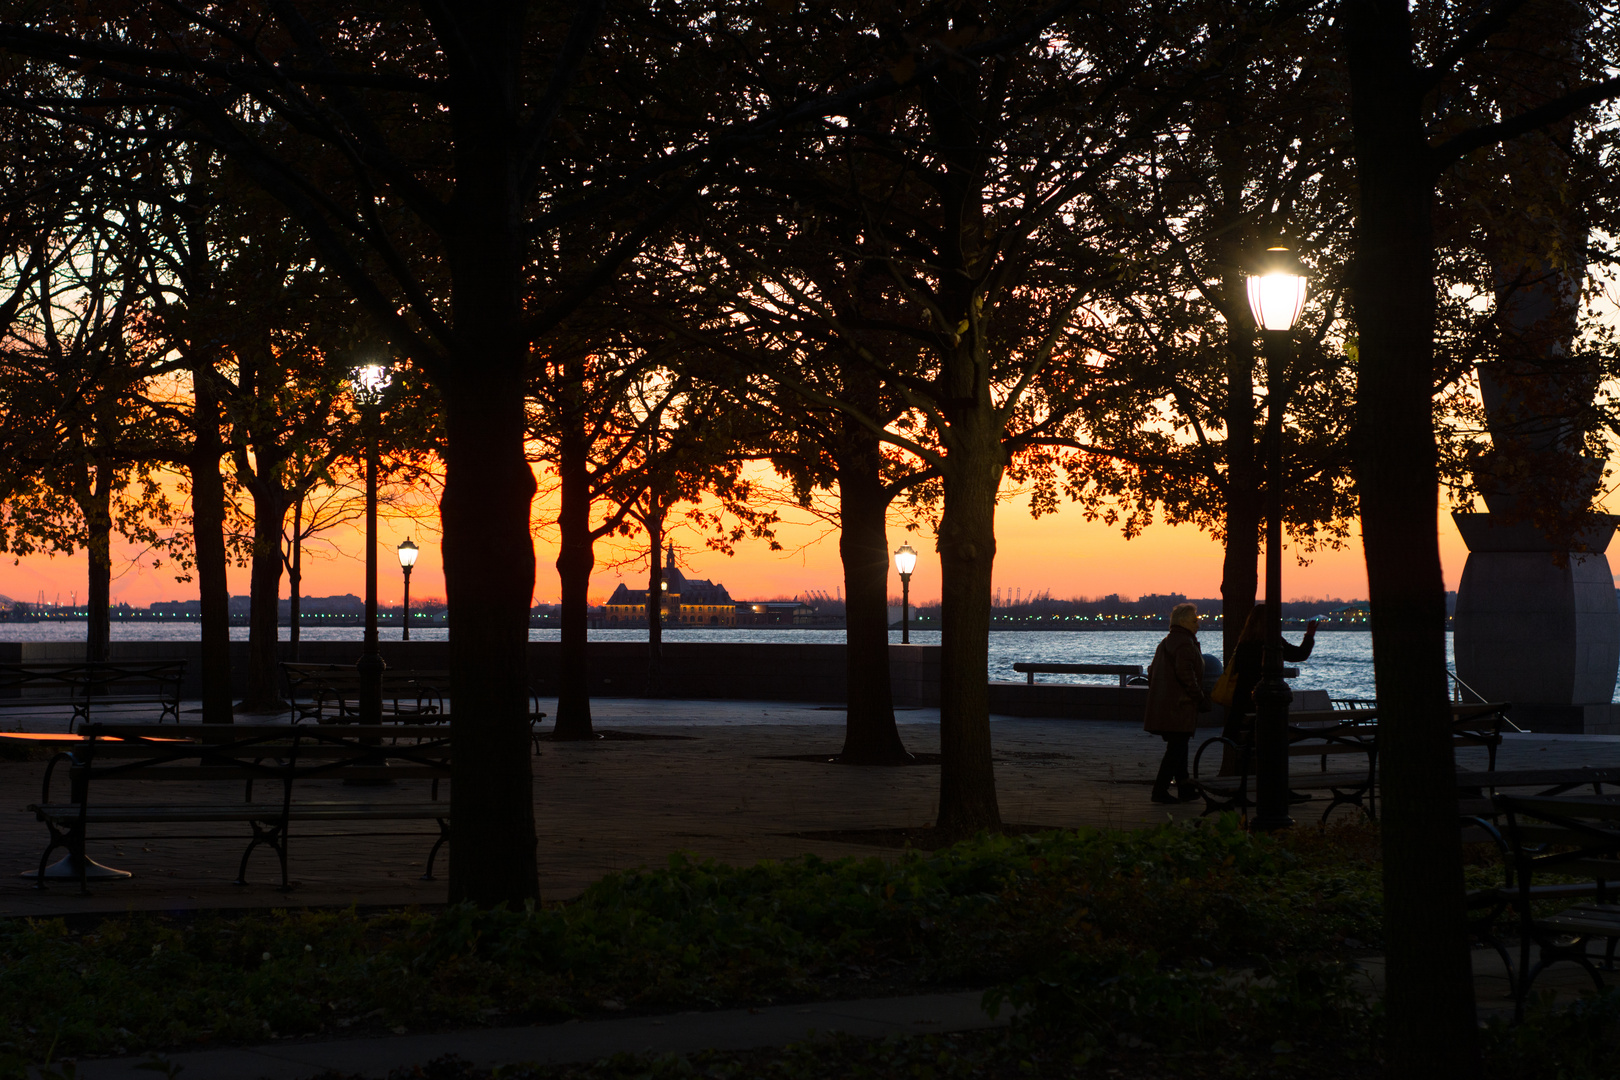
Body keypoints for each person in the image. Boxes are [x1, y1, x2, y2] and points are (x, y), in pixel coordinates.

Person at [1218, 604, 1318, 775]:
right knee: (1272, 745)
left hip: (1242, 709)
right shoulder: (1272, 642)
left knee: (1251, 747)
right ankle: (1277, 786)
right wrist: (1309, 636)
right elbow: (1299, 654)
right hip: (1264, 707)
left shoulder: (1243, 644)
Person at [1144, 602, 1208, 804]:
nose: (1198, 623)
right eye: (1194, 619)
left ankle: (1184, 788)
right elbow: (1187, 676)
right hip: (1180, 706)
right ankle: (1160, 791)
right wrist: (1200, 698)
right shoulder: (1184, 644)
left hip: (1167, 705)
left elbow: (1152, 672)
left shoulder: (1167, 642)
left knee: (1179, 747)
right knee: (1176, 750)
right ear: (1183, 622)